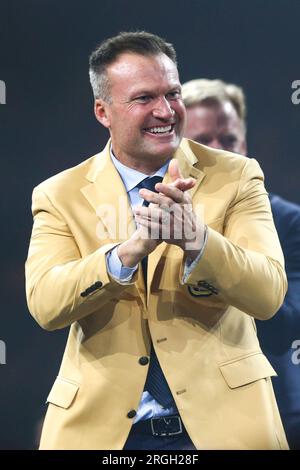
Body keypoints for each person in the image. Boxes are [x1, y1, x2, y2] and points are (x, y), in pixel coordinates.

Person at [25, 32, 289, 450]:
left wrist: (197, 240)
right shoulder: (59, 194)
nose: (165, 111)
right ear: (102, 111)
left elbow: (268, 294)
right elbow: (45, 304)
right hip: (105, 435)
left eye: (173, 93)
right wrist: (128, 252)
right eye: (144, 98)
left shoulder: (237, 176)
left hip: (225, 428)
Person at [182, 78, 300, 449]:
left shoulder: (287, 221)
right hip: (173, 414)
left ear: (245, 145)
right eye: (203, 141)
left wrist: (209, 251)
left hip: (261, 412)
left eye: (229, 140)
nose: (220, 152)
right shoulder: (148, 215)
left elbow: (283, 328)